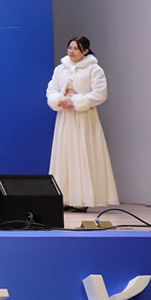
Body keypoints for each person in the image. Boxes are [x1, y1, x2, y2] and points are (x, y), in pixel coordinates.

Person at [47, 35, 119, 211]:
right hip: (65, 117)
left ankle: (82, 200)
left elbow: (100, 94)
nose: (72, 51)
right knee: (65, 154)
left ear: (85, 51)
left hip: (84, 117)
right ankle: (64, 198)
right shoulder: (61, 69)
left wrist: (76, 101)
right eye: (70, 48)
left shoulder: (94, 69)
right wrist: (59, 100)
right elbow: (52, 89)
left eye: (76, 49)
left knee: (83, 153)